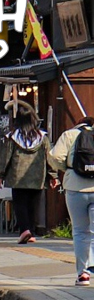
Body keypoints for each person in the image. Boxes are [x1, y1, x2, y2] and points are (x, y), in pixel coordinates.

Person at [0, 101, 56, 245]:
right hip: (37, 176)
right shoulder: (42, 138)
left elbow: (6, 157)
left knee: (20, 204)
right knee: (33, 205)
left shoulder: (13, 137)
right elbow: (49, 158)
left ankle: (24, 230)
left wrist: (0, 175)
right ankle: (32, 232)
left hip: (17, 177)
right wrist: (53, 175)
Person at [49, 116, 94, 284]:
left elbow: (54, 157)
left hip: (75, 187)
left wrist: (69, 168)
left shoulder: (69, 135)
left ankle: (83, 274)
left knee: (80, 231)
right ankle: (93, 263)